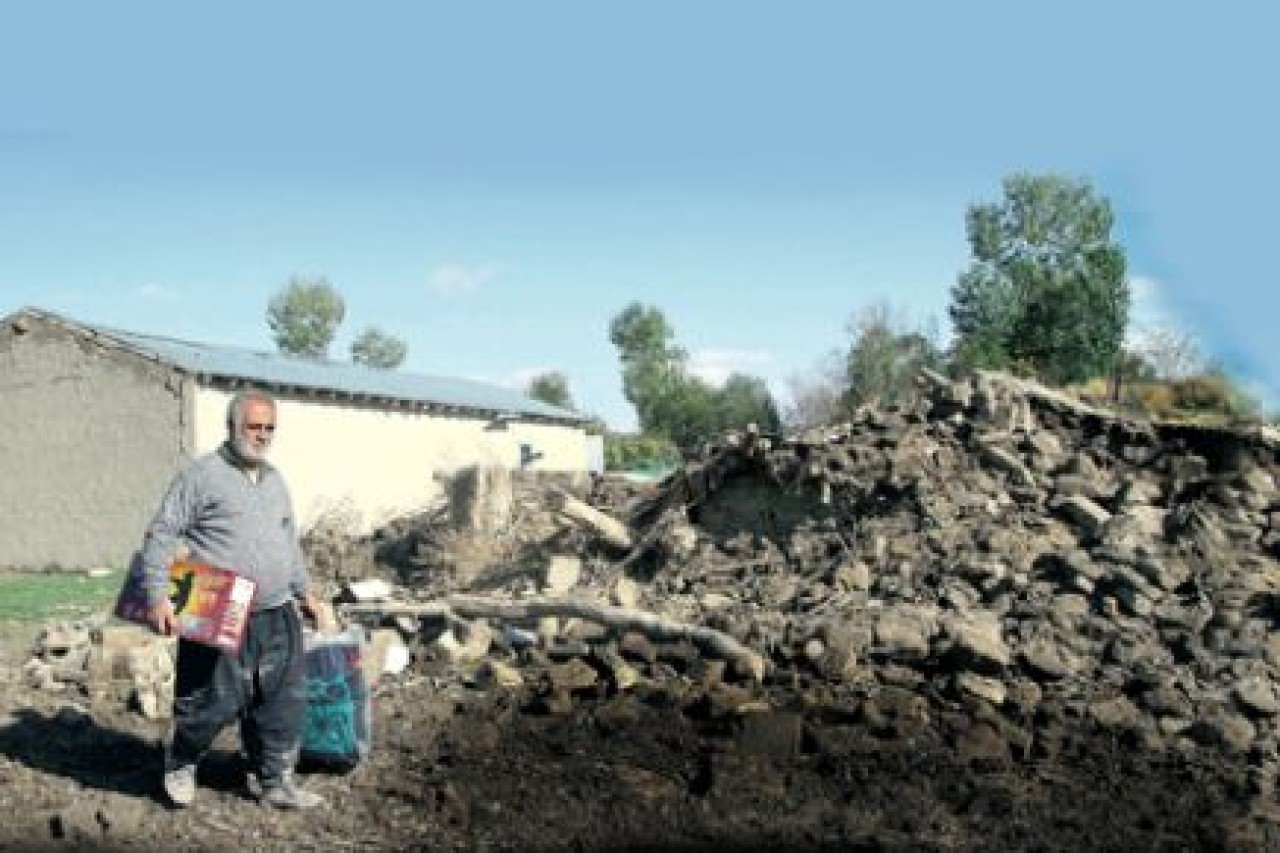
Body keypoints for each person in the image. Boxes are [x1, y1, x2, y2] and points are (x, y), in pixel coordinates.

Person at [137, 388, 328, 810]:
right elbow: (163, 532)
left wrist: (305, 592)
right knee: (210, 699)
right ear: (231, 427)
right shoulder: (202, 475)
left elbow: (287, 541)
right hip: (217, 602)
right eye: (253, 426)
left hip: (277, 610)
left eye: (269, 428)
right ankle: (182, 761)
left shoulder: (276, 479)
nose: (261, 435)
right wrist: (156, 597)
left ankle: (275, 781)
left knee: (280, 702)